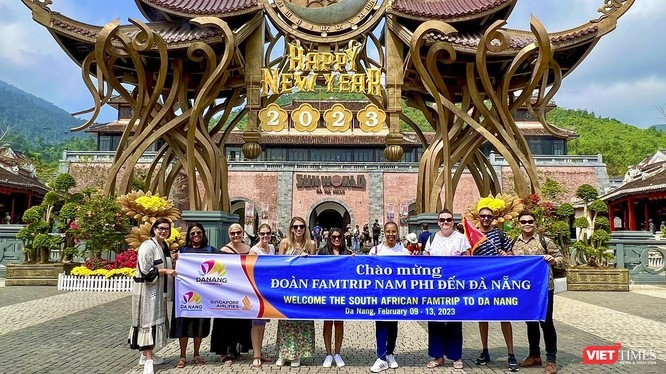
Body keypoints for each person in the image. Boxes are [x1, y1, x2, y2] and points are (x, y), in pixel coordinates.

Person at [511, 211, 564, 374]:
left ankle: (551, 359)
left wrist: (553, 260)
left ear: (535, 223)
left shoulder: (545, 241)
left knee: (546, 322)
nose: (527, 224)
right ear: (519, 224)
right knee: (530, 322)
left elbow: (562, 260)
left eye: (530, 221)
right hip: (525, 290)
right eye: (523, 221)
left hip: (544, 288)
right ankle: (534, 355)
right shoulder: (515, 243)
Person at [129, 218, 177, 374]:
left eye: (166, 229)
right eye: (160, 228)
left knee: (156, 321)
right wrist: (165, 271)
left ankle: (147, 355)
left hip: (159, 291)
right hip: (147, 290)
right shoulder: (148, 246)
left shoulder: (164, 246)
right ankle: (148, 361)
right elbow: (145, 270)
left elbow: (165, 264)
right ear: (154, 229)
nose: (163, 231)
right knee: (147, 323)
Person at [473, 207, 518, 371]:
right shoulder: (472, 234)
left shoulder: (500, 235)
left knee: (504, 315)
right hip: (480, 281)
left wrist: (507, 254)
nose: (485, 219)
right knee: (482, 317)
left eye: (488, 216)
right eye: (483, 216)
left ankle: (511, 353)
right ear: (478, 217)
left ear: (493, 218)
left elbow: (511, 254)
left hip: (499, 281)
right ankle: (485, 350)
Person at [423, 209, 470, 369]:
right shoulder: (432, 238)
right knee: (435, 321)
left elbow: (468, 260)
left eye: (448, 219)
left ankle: (456, 356)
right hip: (435, 288)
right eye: (442, 220)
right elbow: (426, 259)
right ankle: (438, 356)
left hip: (455, 288)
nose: (445, 222)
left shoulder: (461, 238)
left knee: (454, 321)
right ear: (438, 222)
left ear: (453, 222)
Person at [170, 223, 216, 369]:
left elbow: (225, 263)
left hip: (203, 296)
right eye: (193, 233)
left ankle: (196, 354)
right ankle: (182, 355)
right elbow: (174, 269)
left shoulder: (210, 250)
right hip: (185, 295)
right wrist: (174, 260)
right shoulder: (182, 251)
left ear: (203, 234)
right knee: (183, 326)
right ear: (189, 235)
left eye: (199, 233)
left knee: (200, 326)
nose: (196, 236)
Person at [369, 221, 411, 373]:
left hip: (396, 295)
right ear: (384, 233)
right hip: (380, 295)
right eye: (388, 231)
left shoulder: (404, 252)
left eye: (394, 231)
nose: (391, 234)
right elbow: (367, 272)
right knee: (381, 325)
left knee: (393, 325)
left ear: (397, 233)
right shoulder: (375, 251)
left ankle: (390, 353)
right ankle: (381, 357)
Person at [276, 217, 317, 367]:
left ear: (305, 228)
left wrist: (307, 260)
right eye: (295, 227)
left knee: (301, 321)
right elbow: (278, 265)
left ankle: (297, 354)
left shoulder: (311, 244)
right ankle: (283, 353)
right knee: (286, 320)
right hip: (287, 287)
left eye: (301, 226)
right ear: (291, 229)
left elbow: (314, 267)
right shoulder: (284, 243)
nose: (298, 229)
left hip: (303, 288)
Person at [210, 224, 252, 365]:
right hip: (227, 291)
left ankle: (235, 349)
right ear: (229, 235)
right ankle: (223, 352)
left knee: (240, 321)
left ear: (242, 233)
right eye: (233, 233)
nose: (236, 235)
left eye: (238, 232)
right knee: (224, 321)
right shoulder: (223, 251)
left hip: (243, 290)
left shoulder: (249, 250)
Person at [318, 227, 352, 368]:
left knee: (339, 323)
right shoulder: (323, 252)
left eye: (339, 237)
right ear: (329, 238)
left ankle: (337, 353)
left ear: (343, 238)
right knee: (327, 323)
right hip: (327, 292)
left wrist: (356, 259)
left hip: (341, 293)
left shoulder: (348, 253)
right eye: (333, 237)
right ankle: (328, 353)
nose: (336, 239)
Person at [249, 223, 276, 367]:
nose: (265, 236)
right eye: (263, 234)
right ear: (258, 234)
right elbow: (250, 271)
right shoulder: (254, 251)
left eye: (268, 234)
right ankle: (256, 355)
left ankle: (260, 351)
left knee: (263, 323)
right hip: (257, 289)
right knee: (256, 323)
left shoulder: (271, 248)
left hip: (268, 289)